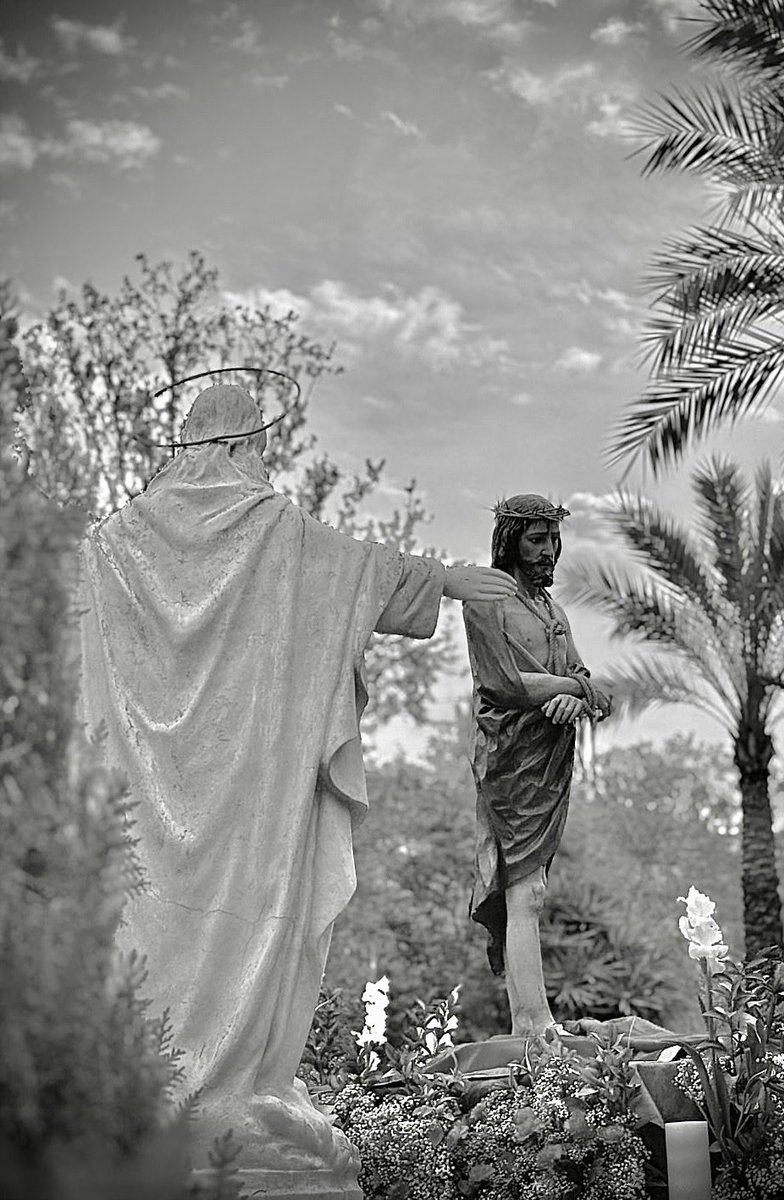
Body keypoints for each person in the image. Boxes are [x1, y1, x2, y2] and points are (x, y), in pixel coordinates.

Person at [74, 384, 515, 1184]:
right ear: (244, 446)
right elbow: (361, 572)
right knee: (249, 929)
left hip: (141, 799)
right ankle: (234, 1087)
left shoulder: (111, 545)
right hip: (250, 795)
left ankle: (156, 1092)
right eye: (262, 450)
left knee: (144, 927)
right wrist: (452, 580)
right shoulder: (272, 529)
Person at [462, 494, 610, 1037]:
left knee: (536, 889)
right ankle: (531, 1023)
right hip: (510, 761)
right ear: (510, 541)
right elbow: (502, 683)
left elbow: (577, 672)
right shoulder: (485, 600)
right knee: (524, 890)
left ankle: (536, 1019)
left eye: (553, 540)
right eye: (536, 540)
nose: (549, 552)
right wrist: (578, 687)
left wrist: (575, 694)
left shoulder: (553, 611)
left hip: (549, 759)